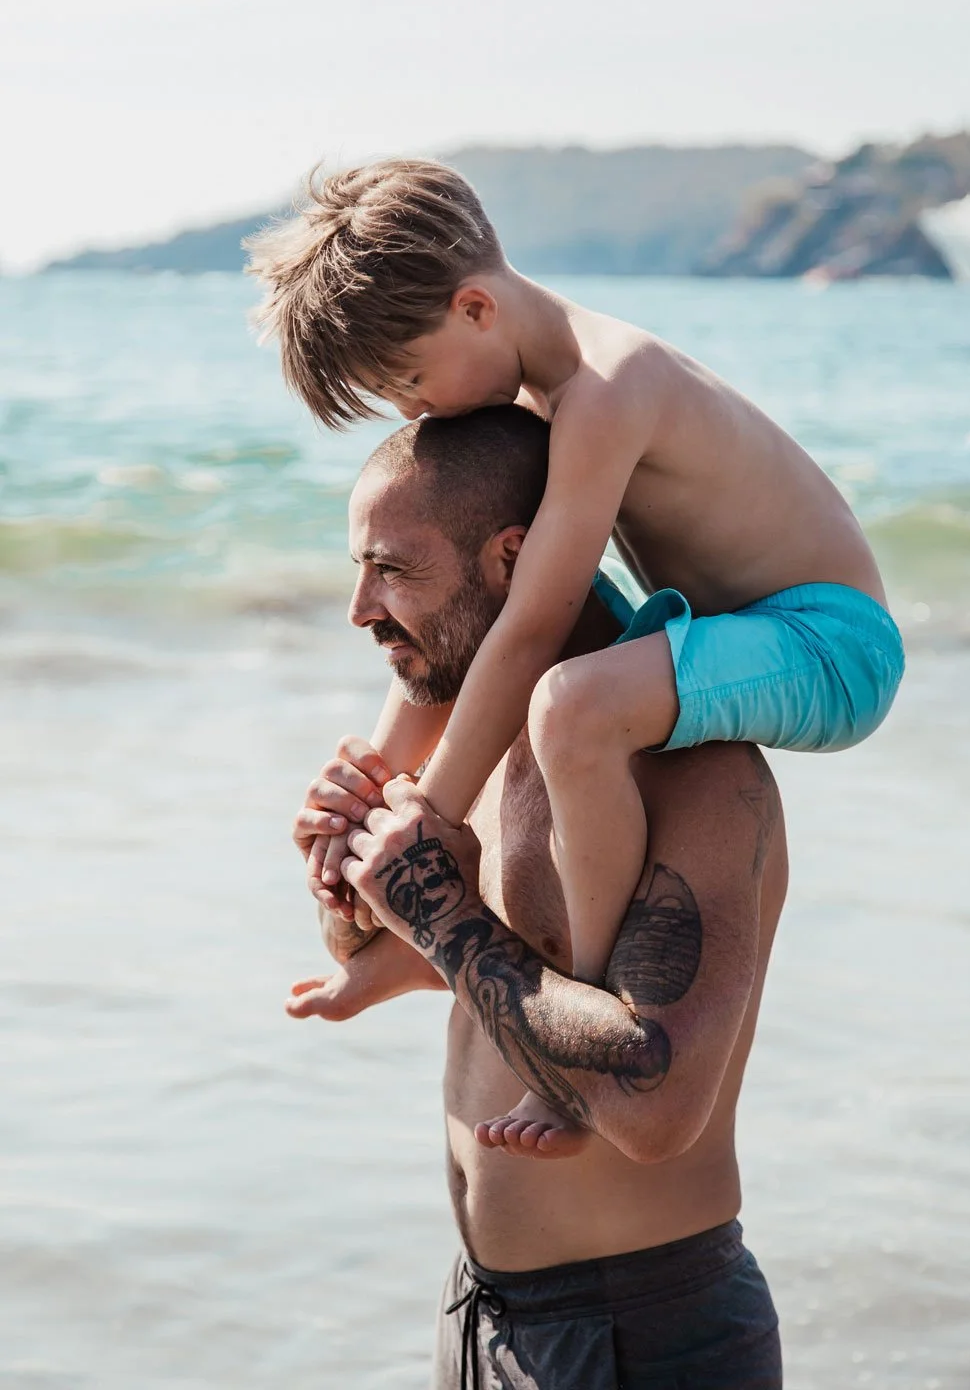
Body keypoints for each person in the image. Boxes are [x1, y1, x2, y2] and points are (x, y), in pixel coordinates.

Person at [249, 160, 903, 1152]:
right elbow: (494, 618)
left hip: (828, 641)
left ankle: (581, 1022)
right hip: (712, 630)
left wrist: (428, 819)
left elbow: (532, 628)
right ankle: (408, 947)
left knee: (569, 706)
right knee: (469, 600)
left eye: (408, 381)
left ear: (475, 308)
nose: (411, 413)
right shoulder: (543, 395)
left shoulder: (605, 388)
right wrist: (376, 792)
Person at [290, 407, 788, 1388]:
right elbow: (377, 952)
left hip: (639, 1332)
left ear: (511, 559)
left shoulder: (694, 770)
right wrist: (340, 861)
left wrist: (439, 910)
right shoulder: (473, 735)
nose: (359, 608)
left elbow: (654, 1107)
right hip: (481, 1313)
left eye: (391, 569)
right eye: (358, 568)